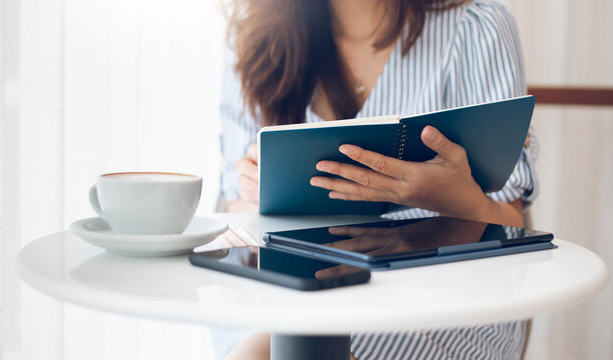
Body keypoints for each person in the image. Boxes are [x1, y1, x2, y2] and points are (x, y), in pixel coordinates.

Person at [218, 0, 538, 359]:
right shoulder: (257, 38)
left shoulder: (477, 28)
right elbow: (237, 215)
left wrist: (454, 198)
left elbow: (513, 227)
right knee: (274, 344)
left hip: (440, 300)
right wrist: (257, 188)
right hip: (285, 291)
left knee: (291, 349)